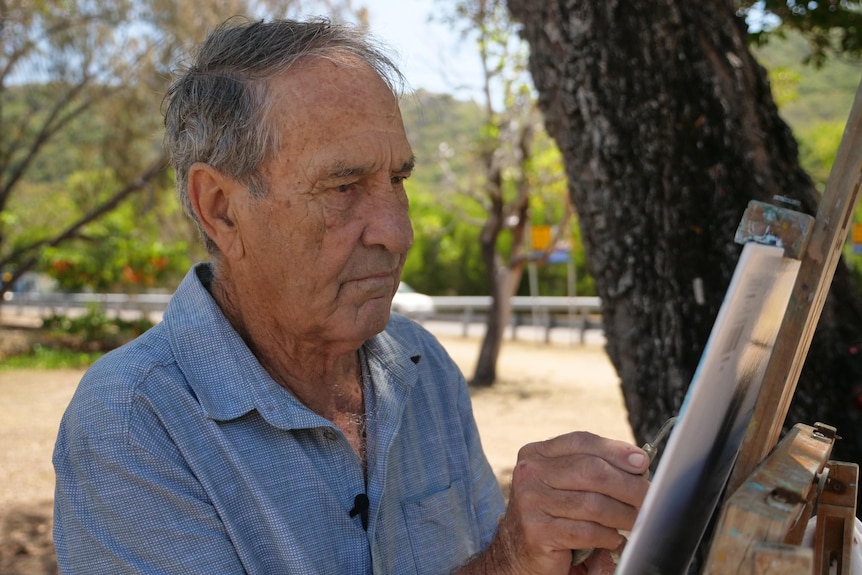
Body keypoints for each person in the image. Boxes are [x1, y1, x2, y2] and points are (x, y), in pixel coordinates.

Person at [52, 16, 650, 575]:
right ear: (221, 209)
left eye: (398, 181)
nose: (397, 232)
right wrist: (510, 559)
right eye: (343, 186)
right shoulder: (133, 422)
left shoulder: (421, 366)